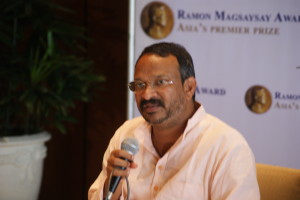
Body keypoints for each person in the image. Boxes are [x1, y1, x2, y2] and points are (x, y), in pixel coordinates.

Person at [88, 42, 260, 200]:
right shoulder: (126, 135)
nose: (147, 94)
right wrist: (112, 187)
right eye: (140, 84)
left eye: (160, 82)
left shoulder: (227, 147)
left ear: (189, 88)